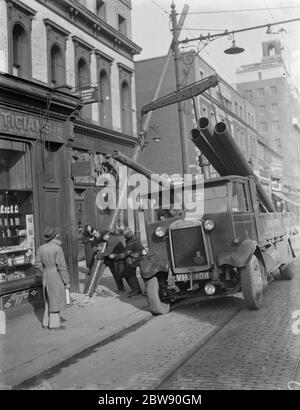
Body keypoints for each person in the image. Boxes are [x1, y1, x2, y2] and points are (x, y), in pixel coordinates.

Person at [35, 227, 70, 330]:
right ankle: (54, 325)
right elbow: (62, 267)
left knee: (48, 299)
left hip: (46, 274)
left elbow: (37, 264)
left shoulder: (41, 248)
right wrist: (66, 281)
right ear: (55, 236)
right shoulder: (57, 248)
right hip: (55, 274)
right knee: (55, 299)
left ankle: (46, 322)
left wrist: (44, 271)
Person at [109, 227, 144, 297]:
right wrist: (119, 230)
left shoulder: (131, 242)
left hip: (136, 258)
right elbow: (125, 233)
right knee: (128, 273)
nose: (124, 236)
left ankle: (136, 290)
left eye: (125, 235)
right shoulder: (132, 237)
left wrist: (115, 256)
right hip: (136, 257)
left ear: (127, 235)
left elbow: (125, 254)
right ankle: (136, 289)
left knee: (129, 273)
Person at [96, 229, 126, 293]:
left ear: (108, 234)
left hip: (118, 258)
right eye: (103, 238)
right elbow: (101, 240)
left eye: (104, 237)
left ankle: (122, 288)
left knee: (119, 273)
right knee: (116, 273)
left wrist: (98, 256)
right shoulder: (110, 238)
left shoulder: (112, 240)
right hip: (113, 258)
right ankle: (121, 288)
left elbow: (107, 252)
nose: (104, 239)